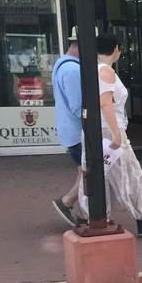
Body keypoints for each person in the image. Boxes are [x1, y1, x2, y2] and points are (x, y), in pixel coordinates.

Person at [77, 33, 142, 236]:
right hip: (110, 131)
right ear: (117, 49)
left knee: (98, 176)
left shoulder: (92, 71)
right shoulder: (107, 72)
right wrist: (117, 133)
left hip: (94, 131)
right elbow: (106, 104)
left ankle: (98, 217)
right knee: (131, 175)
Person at [51, 27, 87, 226]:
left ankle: (82, 212)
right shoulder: (73, 70)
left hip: (69, 130)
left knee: (84, 171)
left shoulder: (61, 64)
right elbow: (78, 106)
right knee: (88, 172)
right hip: (77, 132)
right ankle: (67, 201)